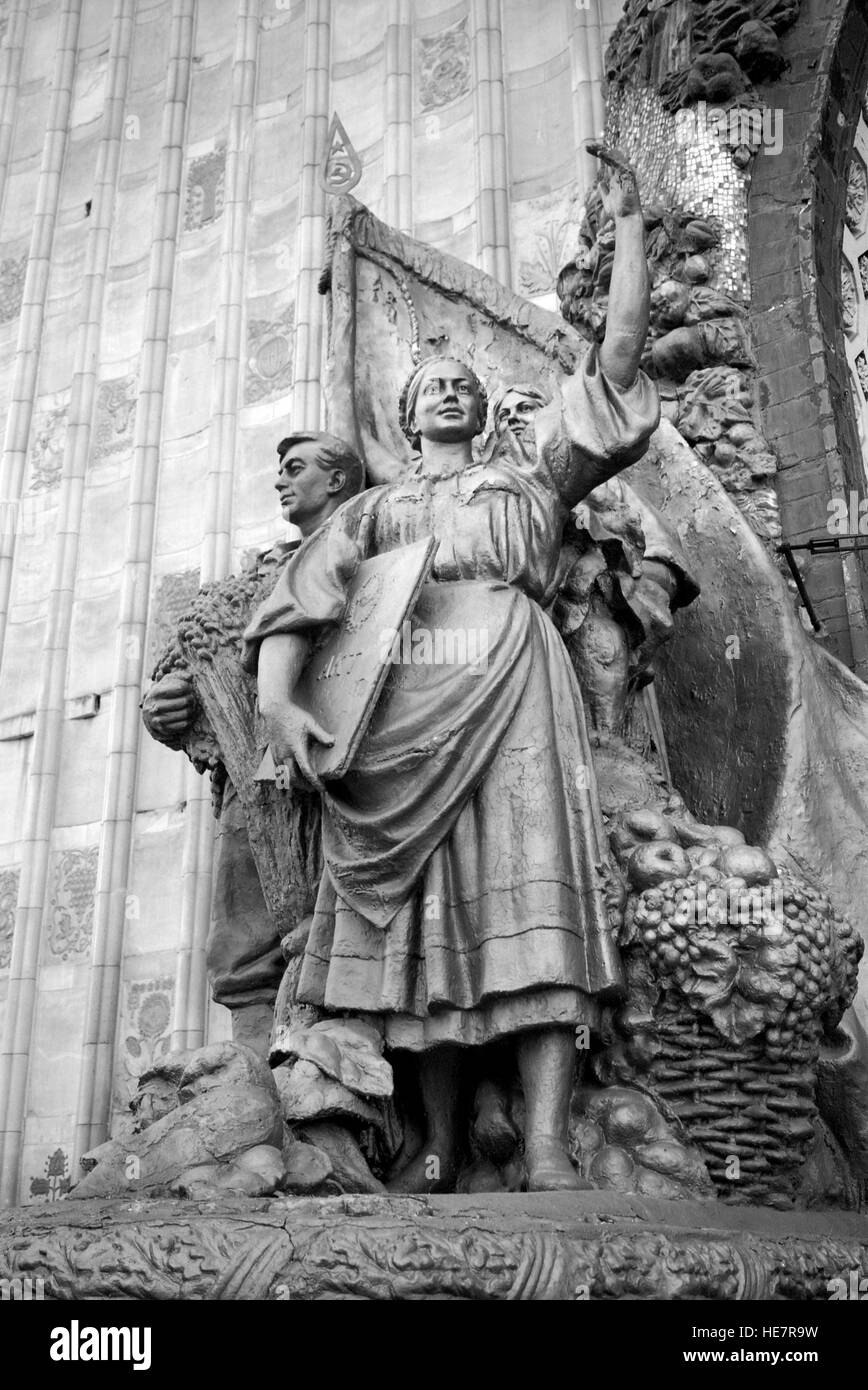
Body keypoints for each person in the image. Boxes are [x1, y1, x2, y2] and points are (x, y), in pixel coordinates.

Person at [243, 146, 659, 1193]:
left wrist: (632, 235)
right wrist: (280, 702)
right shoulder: (373, 510)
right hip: (401, 722)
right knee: (424, 932)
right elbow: (300, 603)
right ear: (405, 413)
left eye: (458, 384)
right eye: (426, 385)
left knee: (536, 902)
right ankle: (432, 1143)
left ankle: (552, 1144)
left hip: (515, 691)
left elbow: (611, 371)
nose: (441, 391)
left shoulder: (529, 481)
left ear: (478, 409)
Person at [141, 432, 364, 1055]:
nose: (280, 482)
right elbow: (188, 667)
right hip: (266, 755)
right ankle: (252, 1066)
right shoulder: (259, 574)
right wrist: (168, 704)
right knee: (250, 875)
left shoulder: (378, 544)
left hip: (364, 749)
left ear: (338, 481)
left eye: (295, 469)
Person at [490, 384, 699, 741]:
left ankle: (605, 744)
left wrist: (620, 582)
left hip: (593, 602)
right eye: (503, 417)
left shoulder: (599, 481)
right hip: (510, 611)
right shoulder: (489, 486)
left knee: (603, 644)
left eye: (524, 409)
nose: (513, 422)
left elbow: (658, 556)